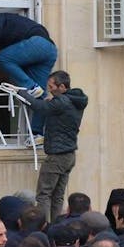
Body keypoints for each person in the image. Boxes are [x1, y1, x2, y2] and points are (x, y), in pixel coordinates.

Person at [22, 71, 86, 222]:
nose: (49, 90)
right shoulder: (75, 100)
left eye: (51, 87)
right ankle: (57, 228)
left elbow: (40, 107)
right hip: (69, 155)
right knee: (58, 196)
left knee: (44, 194)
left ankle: (42, 228)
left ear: (62, 87)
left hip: (57, 156)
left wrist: (21, 94)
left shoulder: (62, 102)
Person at [0, 13, 58, 138]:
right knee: (40, 97)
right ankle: (37, 133)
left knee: (2, 58)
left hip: (38, 44)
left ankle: (31, 85)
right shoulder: (9, 21)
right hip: (50, 50)